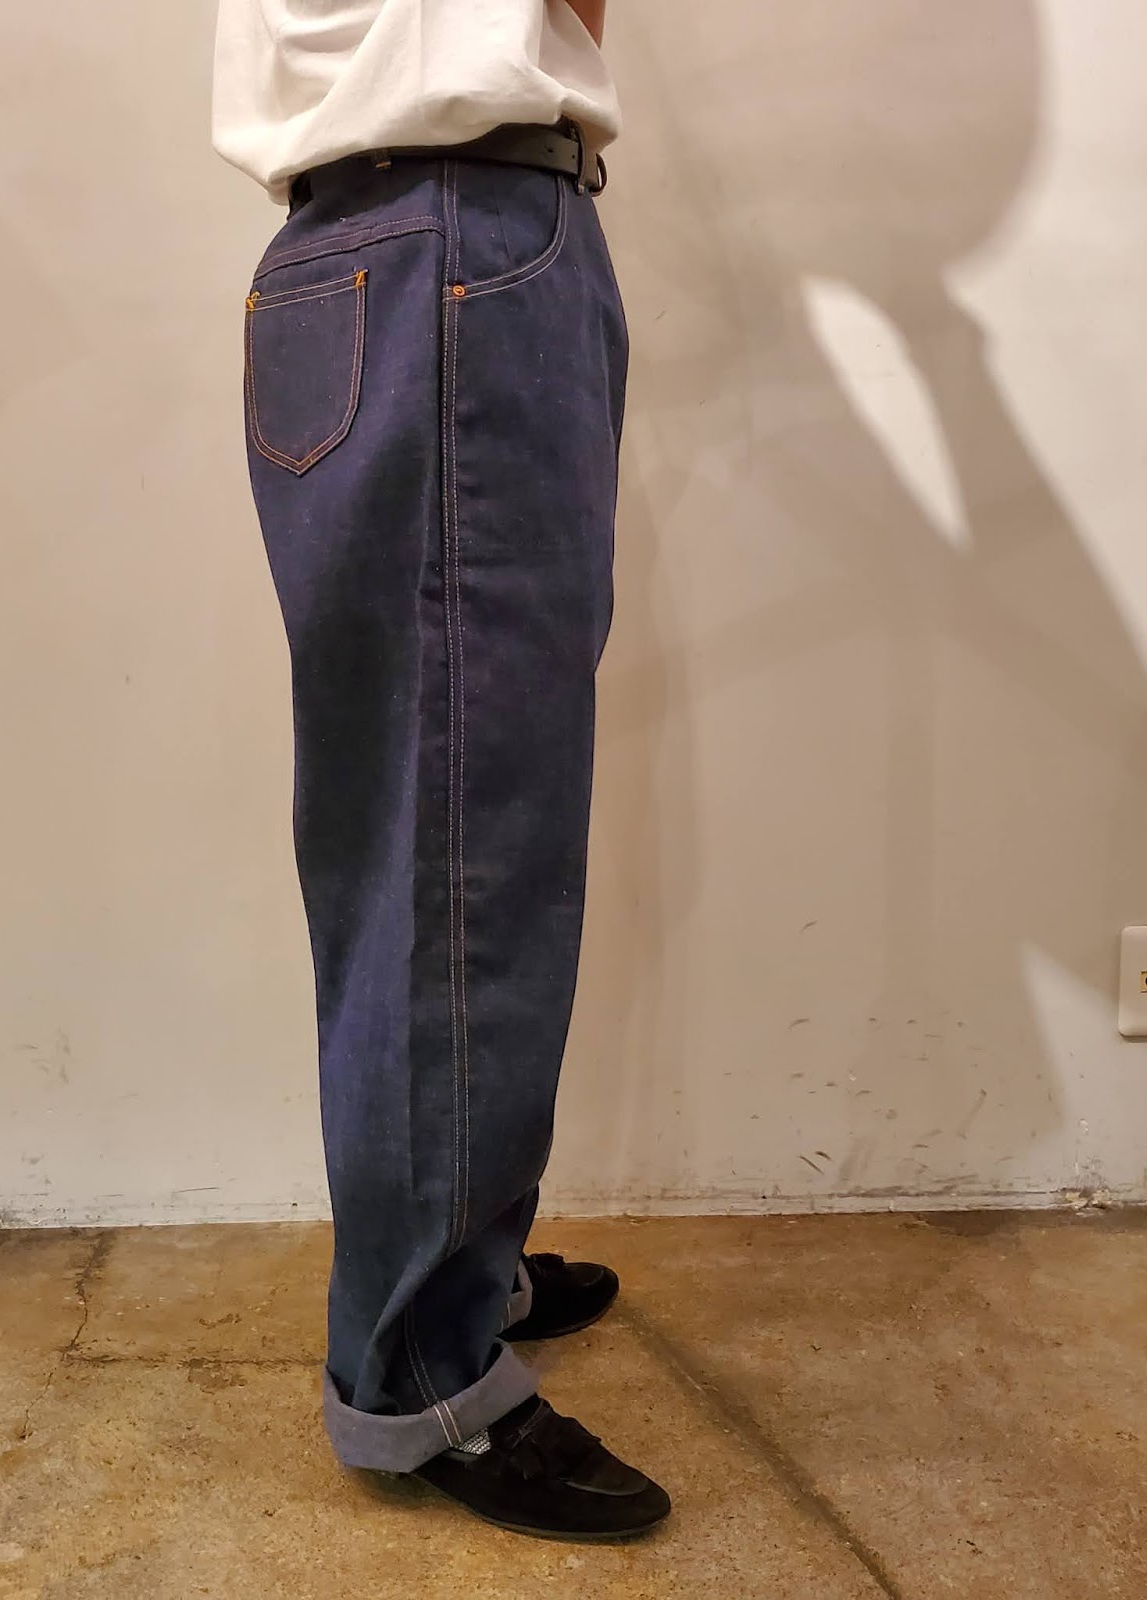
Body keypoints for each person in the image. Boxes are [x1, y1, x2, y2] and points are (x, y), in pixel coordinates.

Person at [213, 0, 668, 1540]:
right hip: (453, 237)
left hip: (419, 237)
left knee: (446, 807)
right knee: (459, 836)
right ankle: (421, 1372)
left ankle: (458, 1269)